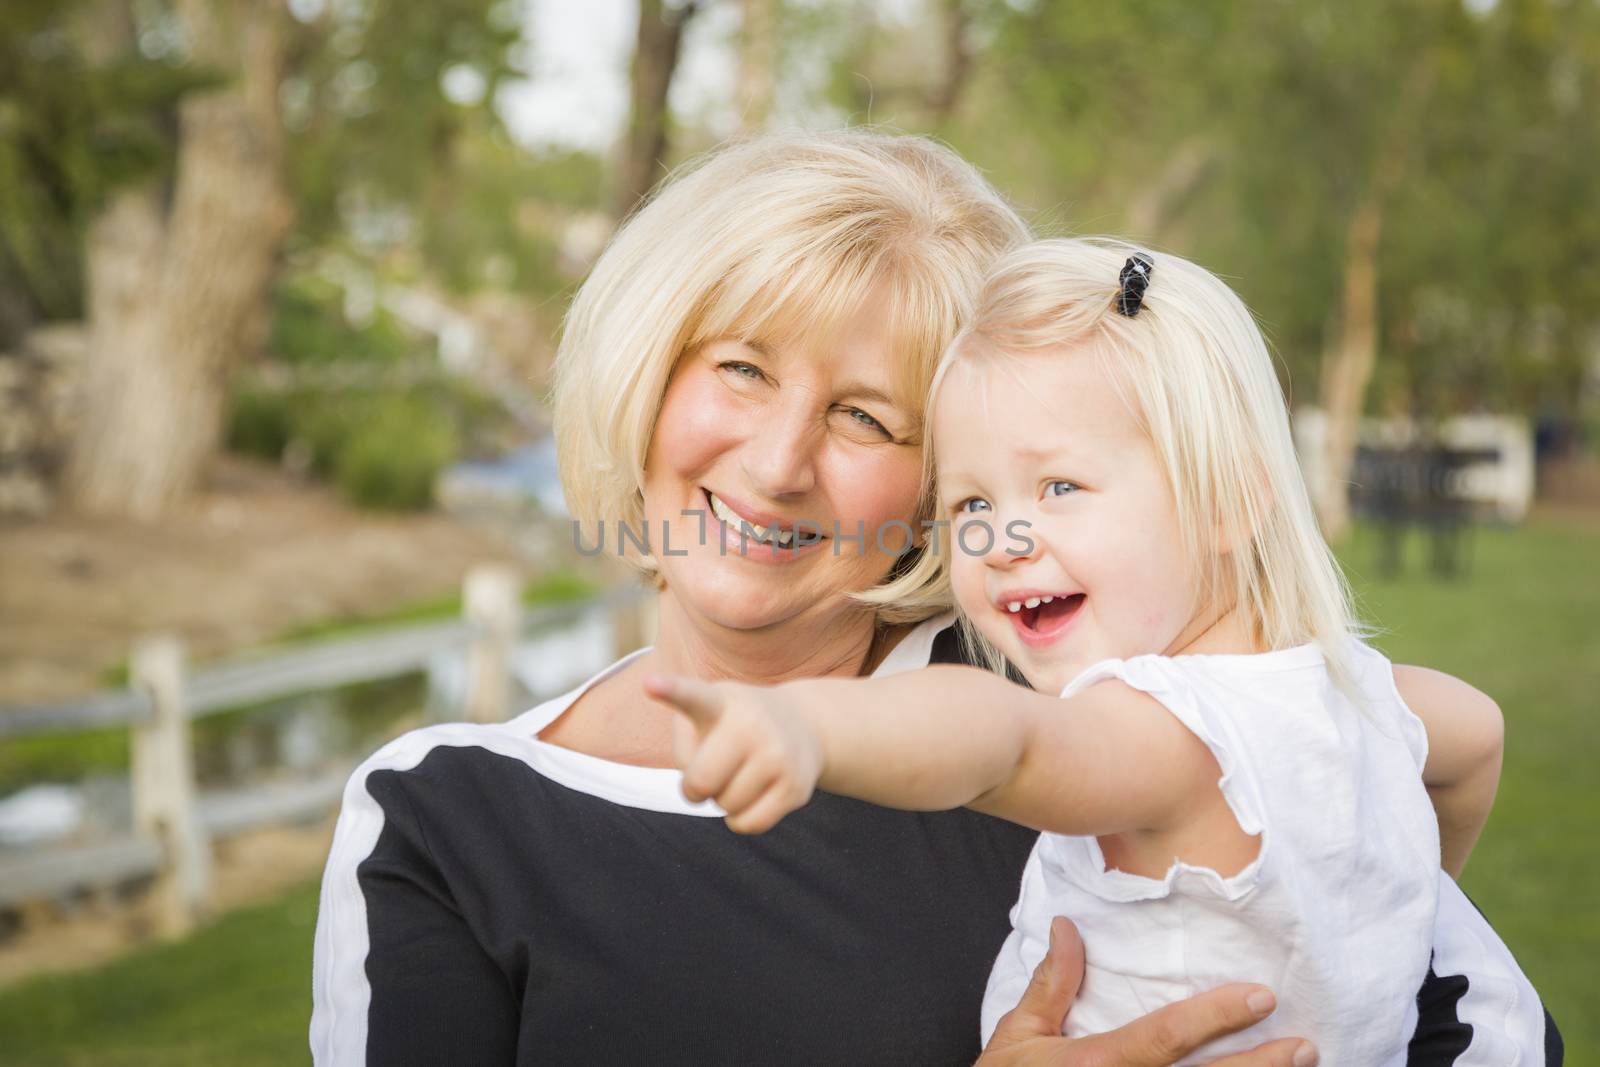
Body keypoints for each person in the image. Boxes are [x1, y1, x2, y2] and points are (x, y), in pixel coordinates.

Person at [309, 131, 1559, 1065]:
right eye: (741, 367)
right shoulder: (442, 816)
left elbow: (1456, 1008)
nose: (779, 460)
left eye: (864, 415)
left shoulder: (1088, 701)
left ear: (936, 478)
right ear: (643, 368)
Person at [649, 237, 1564, 1065]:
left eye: (1059, 485)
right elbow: (1476, 738)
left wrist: (809, 726)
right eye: (971, 503)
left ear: (1226, 504)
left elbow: (1005, 738)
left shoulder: (1169, 735)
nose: (1002, 538)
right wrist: (1396, 904)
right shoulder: (1360, 692)